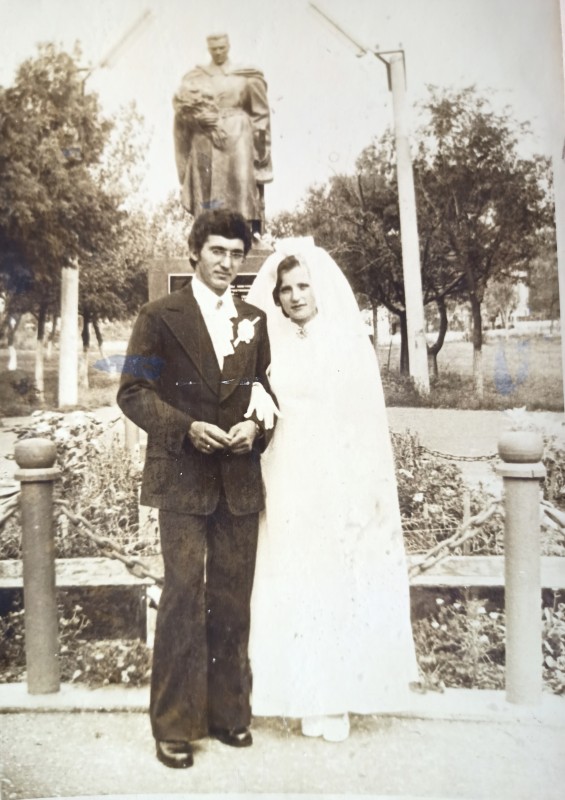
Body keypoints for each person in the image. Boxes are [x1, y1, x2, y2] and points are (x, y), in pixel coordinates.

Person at [117, 209, 276, 769]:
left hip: (238, 479)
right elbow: (132, 392)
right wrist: (185, 429)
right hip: (181, 478)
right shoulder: (158, 316)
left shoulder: (255, 319)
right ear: (195, 254)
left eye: (236, 254)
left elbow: (267, 392)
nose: (227, 263)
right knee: (183, 595)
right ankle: (175, 726)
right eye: (217, 252)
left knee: (232, 596)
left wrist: (255, 428)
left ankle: (228, 713)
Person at [247, 239, 419, 742]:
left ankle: (337, 696)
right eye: (286, 289)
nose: (296, 296)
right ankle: (302, 695)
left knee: (335, 579)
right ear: (276, 297)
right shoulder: (269, 345)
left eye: (303, 286)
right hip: (286, 474)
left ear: (318, 289)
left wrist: (362, 483)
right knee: (293, 578)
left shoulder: (345, 342)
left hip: (336, 473)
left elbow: (362, 419)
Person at [173, 33, 273, 232]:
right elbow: (182, 115)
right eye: (214, 49)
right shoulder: (195, 77)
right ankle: (207, 235)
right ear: (208, 49)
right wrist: (199, 120)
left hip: (239, 139)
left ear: (228, 46)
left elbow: (261, 116)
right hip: (205, 140)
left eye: (222, 48)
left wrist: (261, 151)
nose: (218, 52)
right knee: (207, 196)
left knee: (242, 190)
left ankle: (246, 234)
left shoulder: (246, 76)